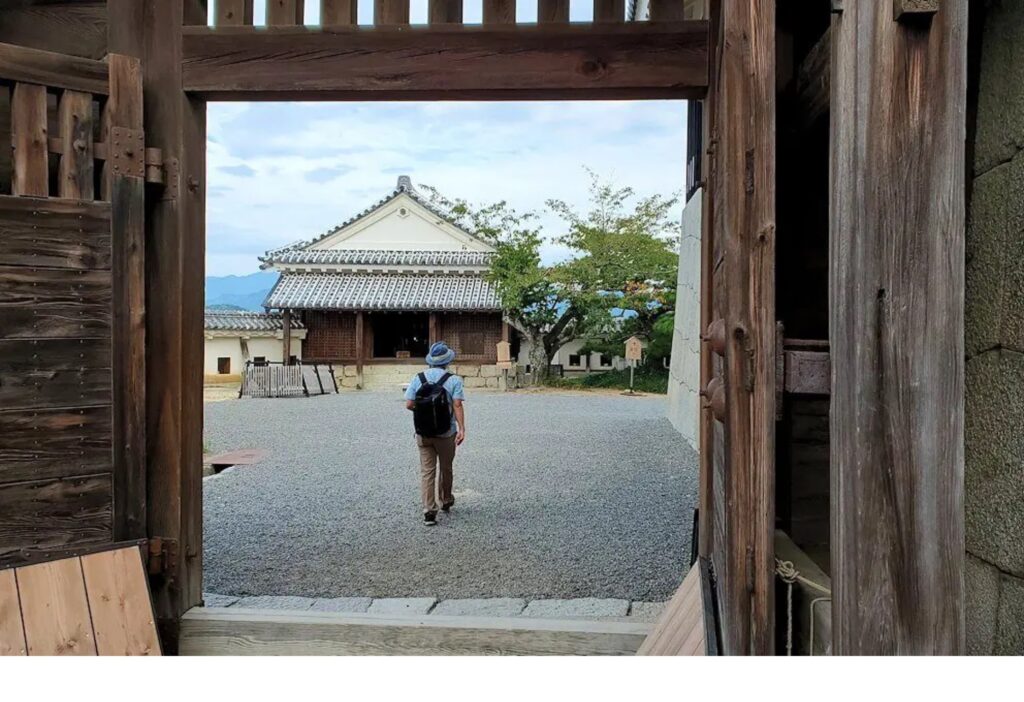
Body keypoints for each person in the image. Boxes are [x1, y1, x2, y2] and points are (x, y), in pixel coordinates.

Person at [405, 341, 466, 526]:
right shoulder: (454, 380)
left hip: (423, 433)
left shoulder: (418, 378)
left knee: (427, 471)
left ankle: (429, 511)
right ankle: (445, 500)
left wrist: (423, 412)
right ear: (447, 361)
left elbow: (408, 404)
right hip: (446, 432)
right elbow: (457, 404)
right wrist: (462, 428)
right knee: (446, 468)